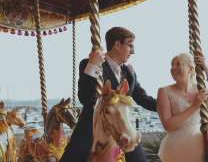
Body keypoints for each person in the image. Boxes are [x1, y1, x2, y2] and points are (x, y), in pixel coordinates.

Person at [60, 27, 157, 162]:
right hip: (90, 131)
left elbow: (144, 99)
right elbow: (85, 98)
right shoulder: (89, 65)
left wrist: (174, 106)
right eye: (131, 46)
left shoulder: (129, 74)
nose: (133, 51)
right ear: (117, 44)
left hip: (122, 130)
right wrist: (92, 66)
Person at [157, 51, 208, 162]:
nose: (173, 68)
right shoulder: (164, 92)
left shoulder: (199, 88)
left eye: (178, 64)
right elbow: (167, 125)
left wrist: (206, 68)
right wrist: (194, 106)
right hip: (179, 144)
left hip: (201, 138)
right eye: (172, 64)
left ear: (190, 69)